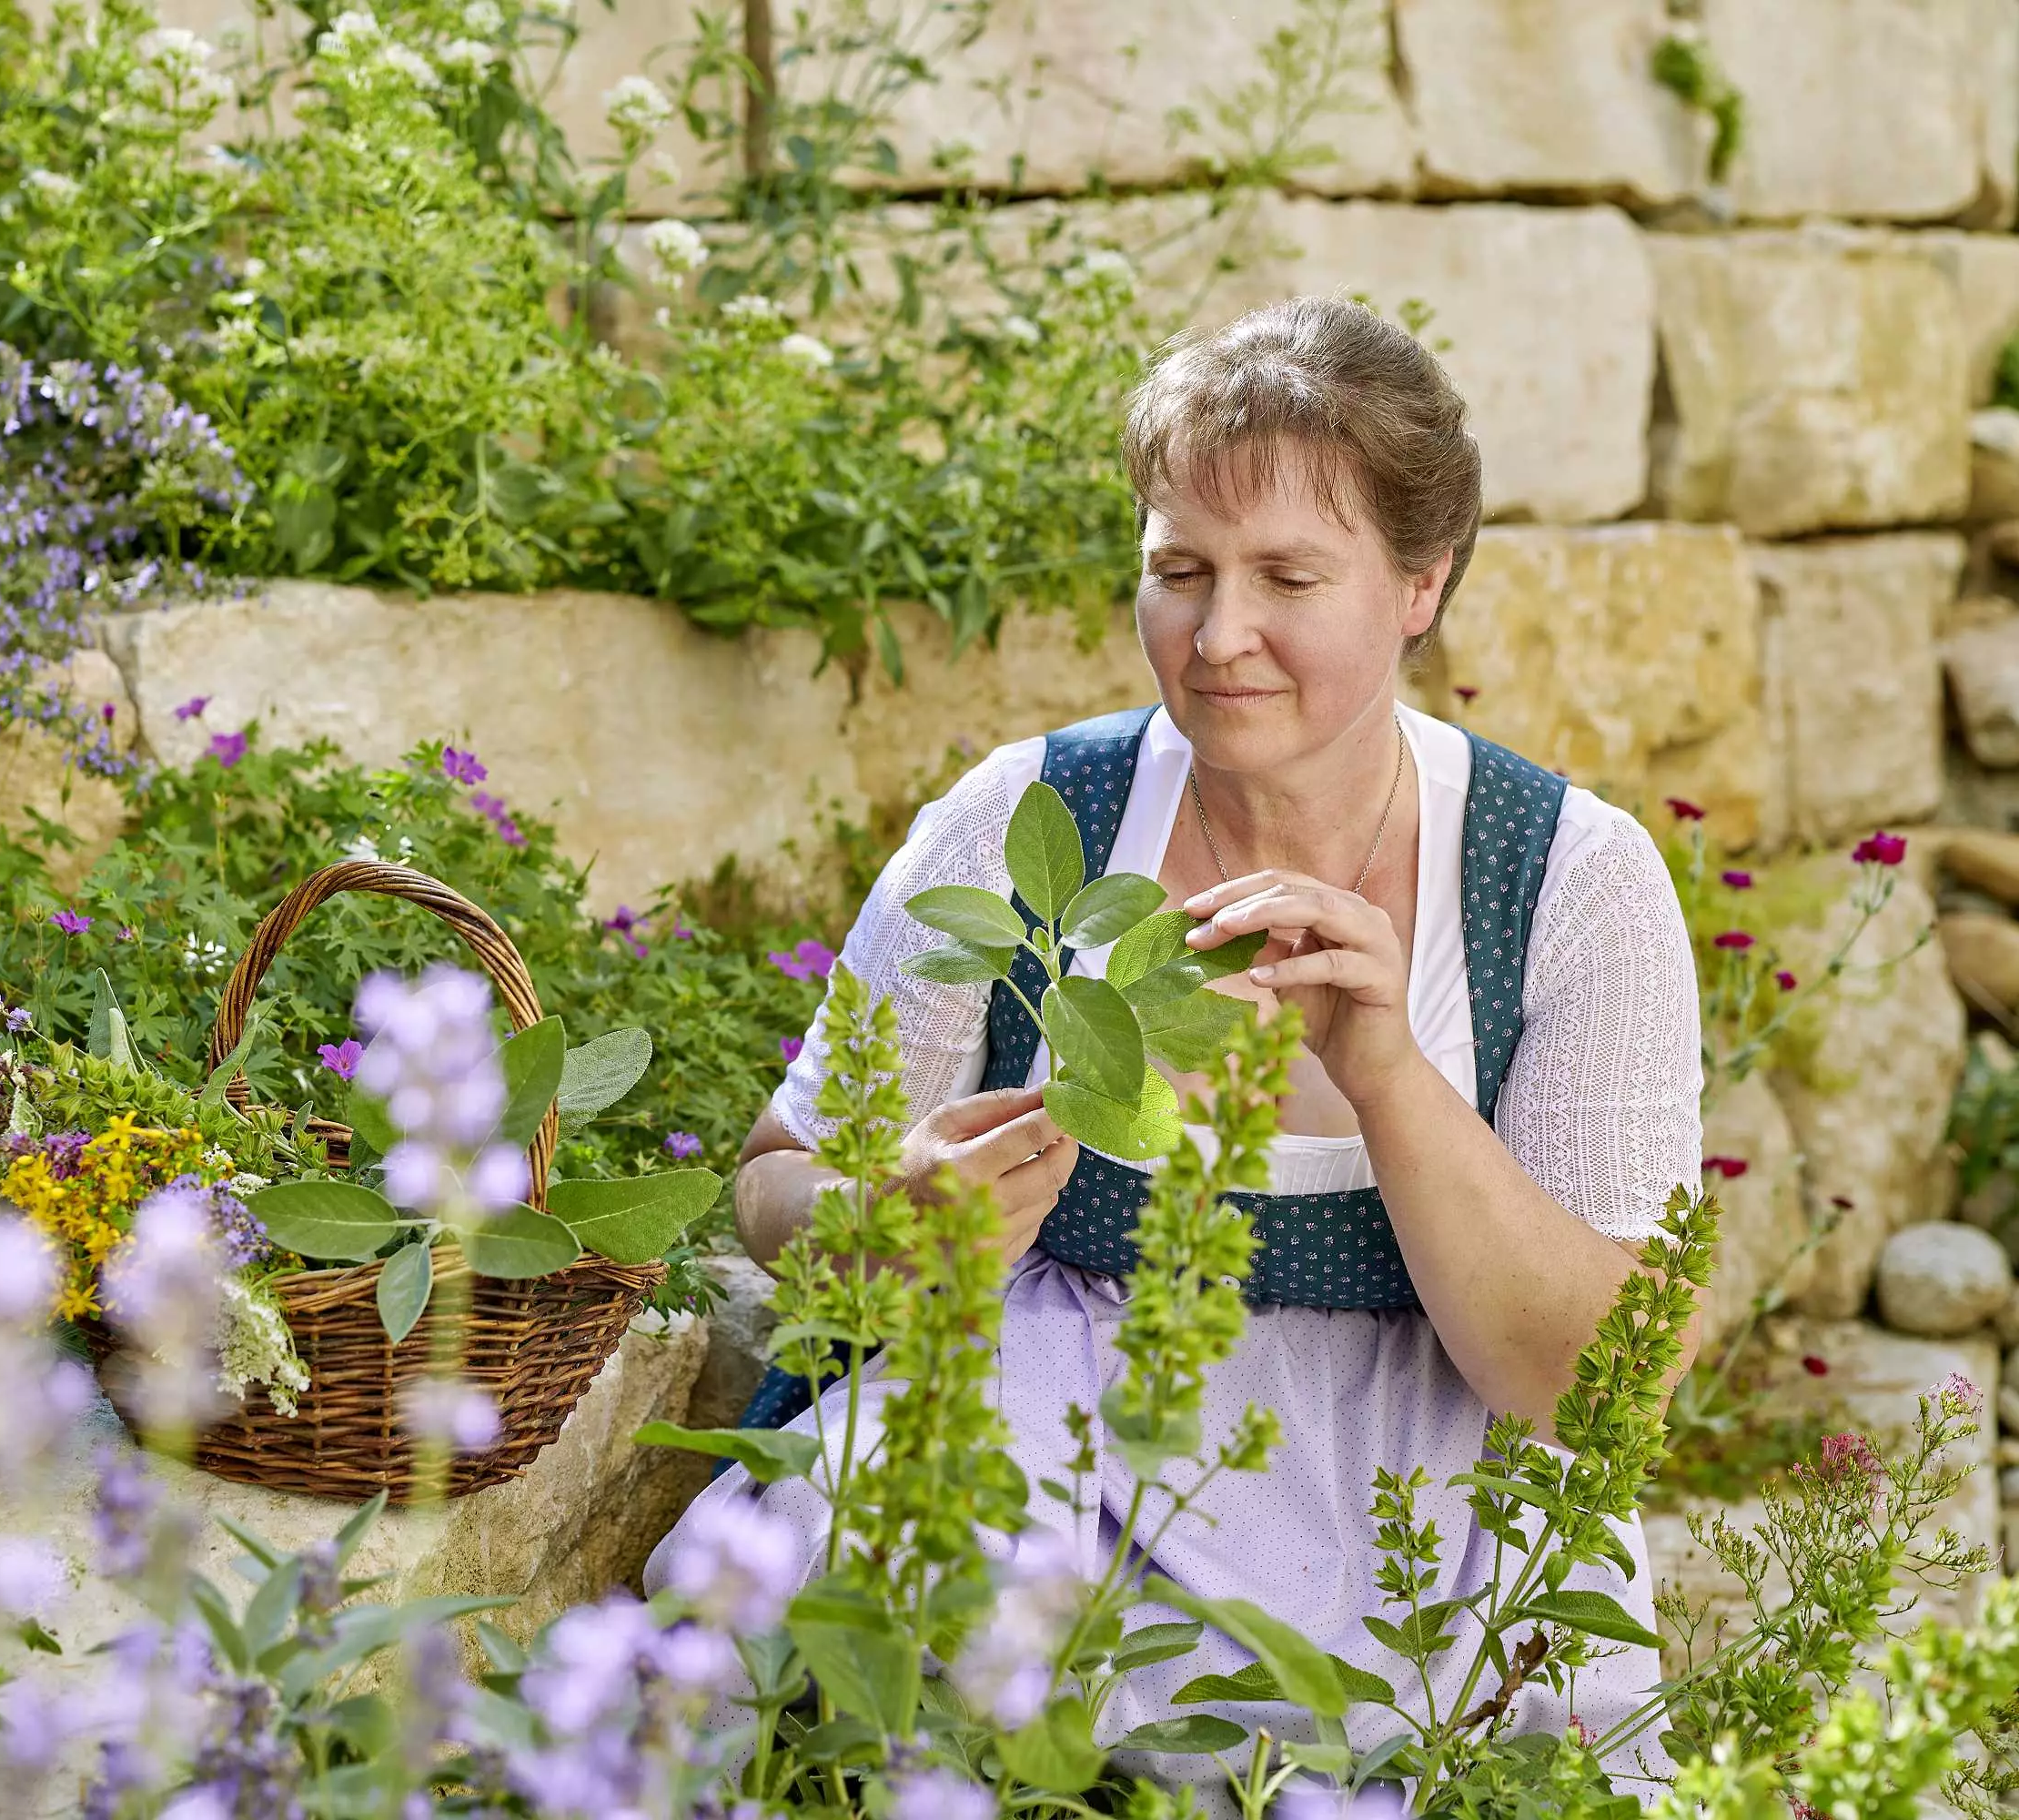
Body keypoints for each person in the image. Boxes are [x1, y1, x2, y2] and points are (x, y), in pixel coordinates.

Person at [644, 296, 1702, 1792]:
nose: (1217, 638)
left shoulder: (1565, 879)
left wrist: (1391, 1070)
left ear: (1421, 583)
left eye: (1288, 576)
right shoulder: (1033, 819)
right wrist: (885, 1220)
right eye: (1178, 572)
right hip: (1026, 1480)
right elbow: (773, 1179)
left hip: (1414, 1531)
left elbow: (1597, 1388)